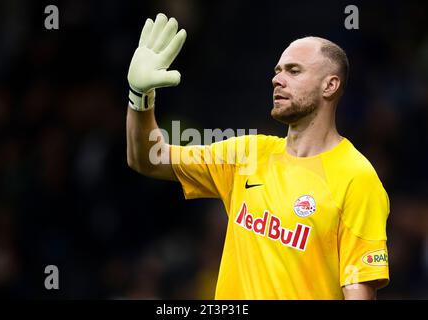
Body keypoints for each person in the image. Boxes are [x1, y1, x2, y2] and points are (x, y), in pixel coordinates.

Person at [126, 13, 390, 300]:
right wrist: (140, 97)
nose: (277, 79)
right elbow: (149, 159)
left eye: (294, 71)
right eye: (278, 70)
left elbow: (358, 291)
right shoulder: (247, 154)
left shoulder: (357, 177)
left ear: (330, 85)